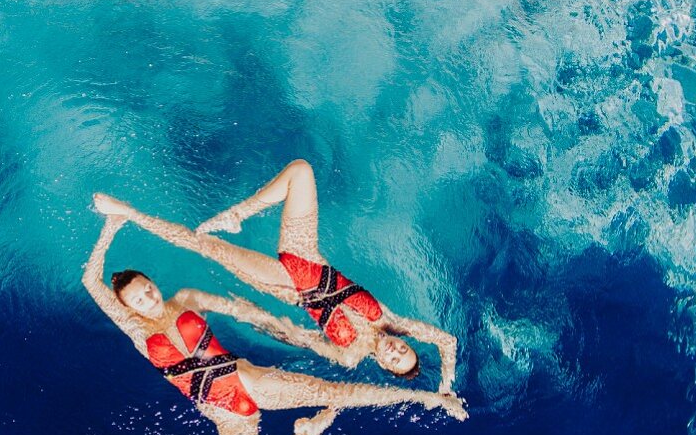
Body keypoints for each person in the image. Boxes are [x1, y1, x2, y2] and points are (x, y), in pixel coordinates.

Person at [83, 209, 467, 435]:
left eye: (148, 288)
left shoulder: (186, 298)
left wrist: (276, 326)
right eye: (138, 298)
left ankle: (425, 399)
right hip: (229, 417)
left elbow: (237, 308)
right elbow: (90, 280)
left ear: (153, 281)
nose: (148, 298)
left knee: (338, 394)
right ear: (128, 307)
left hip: (247, 379)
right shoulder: (133, 328)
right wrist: (109, 228)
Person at [93, 159, 459, 391]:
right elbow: (447, 342)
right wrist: (445, 383)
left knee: (205, 246)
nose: (396, 351)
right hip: (307, 255)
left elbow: (301, 338)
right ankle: (238, 213)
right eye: (405, 351)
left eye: (395, 360)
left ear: (383, 365)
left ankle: (128, 213)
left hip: (285, 282)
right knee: (300, 171)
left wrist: (264, 321)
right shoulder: (395, 321)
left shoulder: (350, 356)